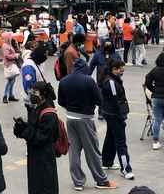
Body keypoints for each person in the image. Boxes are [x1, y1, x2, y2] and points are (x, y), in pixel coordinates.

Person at [58, 59, 117, 190]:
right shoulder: (88, 80)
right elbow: (99, 100)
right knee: (92, 151)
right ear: (85, 68)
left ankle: (78, 182)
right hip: (85, 118)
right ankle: (101, 181)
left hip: (70, 118)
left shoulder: (64, 80)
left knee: (74, 151)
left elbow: (61, 101)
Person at [13, 81, 59, 194]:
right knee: (35, 185)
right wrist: (21, 126)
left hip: (44, 157)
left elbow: (39, 137)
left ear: (43, 94)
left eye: (34, 92)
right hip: (35, 155)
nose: (31, 94)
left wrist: (24, 130)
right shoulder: (36, 108)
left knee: (45, 186)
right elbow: (32, 129)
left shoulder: (49, 114)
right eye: (31, 92)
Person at [101, 60, 134, 180]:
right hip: (114, 115)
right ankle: (126, 168)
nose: (122, 70)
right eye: (120, 68)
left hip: (111, 114)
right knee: (121, 142)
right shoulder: (111, 82)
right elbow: (115, 101)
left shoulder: (113, 80)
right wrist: (121, 117)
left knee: (110, 136)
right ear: (114, 69)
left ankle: (106, 161)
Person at [1, 32, 20, 104]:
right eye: (10, 36)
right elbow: (7, 55)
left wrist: (16, 44)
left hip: (11, 64)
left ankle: (10, 95)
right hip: (9, 64)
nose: (11, 37)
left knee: (12, 81)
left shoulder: (9, 44)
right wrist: (15, 56)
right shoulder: (5, 45)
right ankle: (5, 96)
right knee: (10, 81)